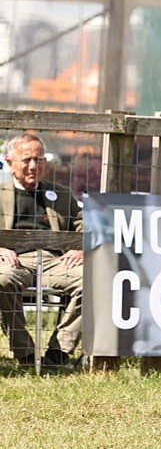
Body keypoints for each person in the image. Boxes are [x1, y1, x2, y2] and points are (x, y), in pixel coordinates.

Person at [0, 133, 84, 367]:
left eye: (39, 159)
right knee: (2, 279)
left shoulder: (61, 194)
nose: (34, 166)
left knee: (91, 280)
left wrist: (80, 248)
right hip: (14, 261)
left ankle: (58, 353)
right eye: (26, 160)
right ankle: (25, 353)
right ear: (9, 162)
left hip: (56, 262)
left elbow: (85, 225)